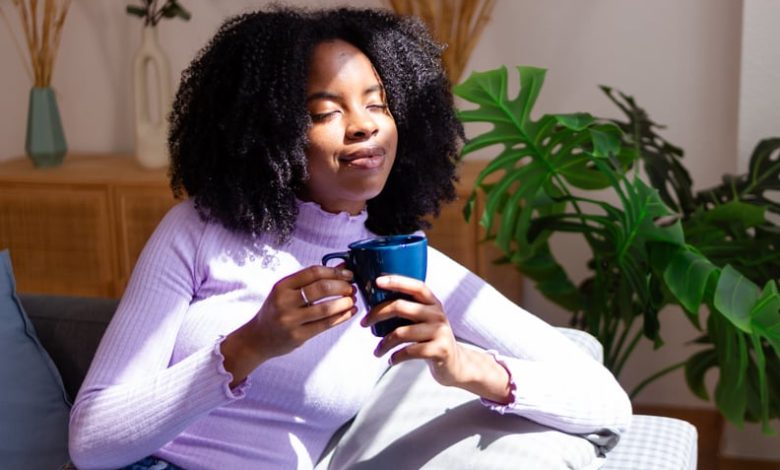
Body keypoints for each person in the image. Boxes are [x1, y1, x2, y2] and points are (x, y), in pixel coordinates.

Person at [69, 6, 631, 470]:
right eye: (325, 111)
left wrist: (465, 365)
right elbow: (91, 441)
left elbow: (607, 403)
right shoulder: (200, 229)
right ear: (270, 133)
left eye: (377, 103)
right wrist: (249, 346)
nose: (363, 124)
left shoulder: (403, 264)